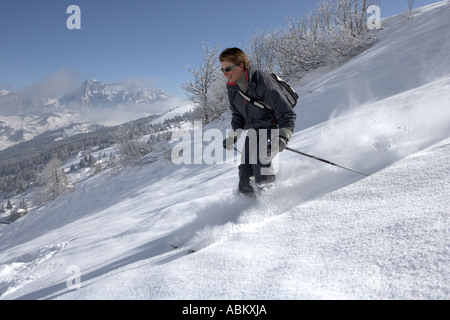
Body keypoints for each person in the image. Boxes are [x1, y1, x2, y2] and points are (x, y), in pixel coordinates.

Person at [220, 47, 296, 196]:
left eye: (228, 68)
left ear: (241, 66)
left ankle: (269, 201)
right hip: (255, 130)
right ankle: (246, 204)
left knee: (261, 161)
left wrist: (283, 136)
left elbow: (286, 112)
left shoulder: (261, 81)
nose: (225, 74)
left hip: (272, 127)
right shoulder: (232, 88)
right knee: (245, 172)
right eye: (222, 70)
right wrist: (233, 136)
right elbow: (237, 115)